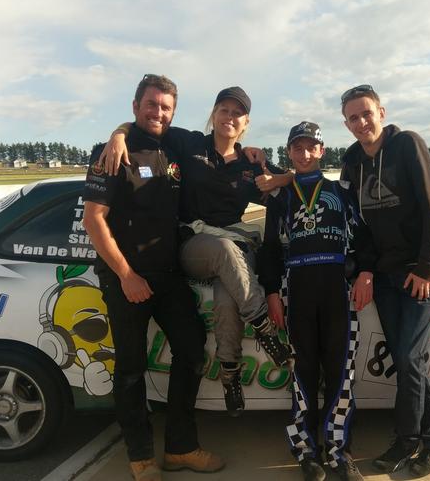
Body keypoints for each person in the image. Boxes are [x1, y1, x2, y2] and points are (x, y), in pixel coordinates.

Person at [100, 86, 294, 418]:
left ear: (245, 123)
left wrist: (282, 175)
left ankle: (230, 373)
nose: (229, 117)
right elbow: (147, 123)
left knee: (226, 298)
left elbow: (295, 182)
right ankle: (264, 327)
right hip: (194, 244)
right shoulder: (189, 144)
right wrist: (118, 135)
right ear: (213, 114)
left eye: (237, 113)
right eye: (224, 110)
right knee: (223, 251)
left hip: (232, 247)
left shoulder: (250, 164)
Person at [83, 74, 224, 481]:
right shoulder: (111, 152)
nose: (158, 112)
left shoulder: (175, 144)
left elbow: (218, 142)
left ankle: (181, 447)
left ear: (173, 112)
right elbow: (94, 220)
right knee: (130, 368)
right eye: (151, 104)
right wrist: (126, 275)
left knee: (193, 351)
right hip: (125, 279)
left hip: (168, 275)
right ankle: (141, 457)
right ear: (135, 106)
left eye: (165, 106)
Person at [339, 85, 430, 477]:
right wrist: (366, 268)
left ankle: (408, 441)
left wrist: (425, 267)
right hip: (384, 276)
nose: (361, 122)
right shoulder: (353, 160)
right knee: (409, 362)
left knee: (407, 359)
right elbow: (360, 225)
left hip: (418, 274)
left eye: (366, 113)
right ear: (346, 123)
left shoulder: (407, 145)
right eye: (353, 117)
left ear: (380, 112)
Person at [258, 121, 374, 481]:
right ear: (289, 152)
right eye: (298, 148)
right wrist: (272, 292)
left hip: (337, 290)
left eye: (312, 147)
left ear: (322, 151)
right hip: (297, 290)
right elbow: (271, 249)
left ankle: (340, 451)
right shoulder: (281, 196)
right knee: (301, 371)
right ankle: (306, 450)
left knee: (341, 372)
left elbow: (364, 237)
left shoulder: (341, 190)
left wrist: (366, 272)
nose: (305, 154)